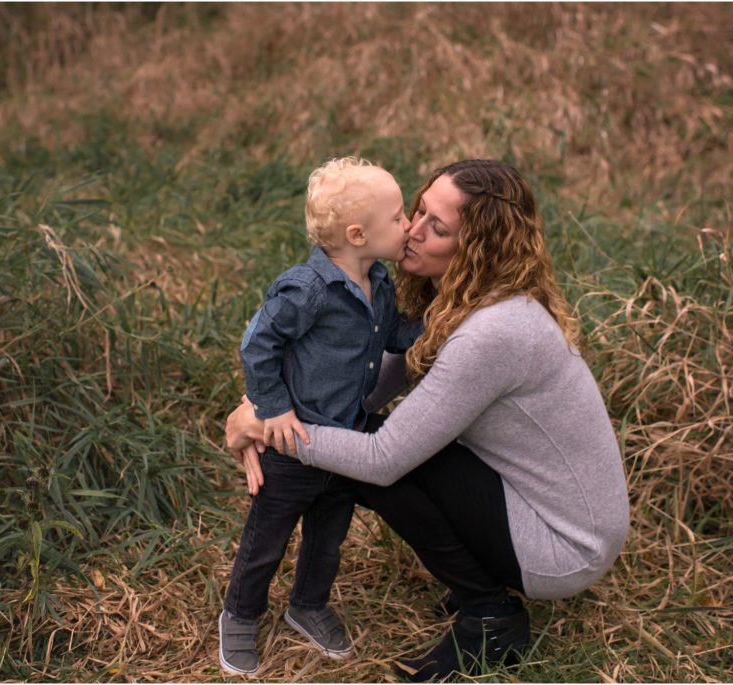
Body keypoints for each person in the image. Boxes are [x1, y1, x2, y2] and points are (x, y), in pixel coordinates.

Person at [226, 159, 630, 681]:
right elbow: (374, 384)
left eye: (436, 228)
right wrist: (266, 403)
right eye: (417, 211)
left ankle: (489, 613)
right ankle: (478, 587)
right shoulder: (465, 301)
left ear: (477, 249)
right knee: (371, 436)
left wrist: (274, 432)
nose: (412, 231)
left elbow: (381, 457)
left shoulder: (493, 332)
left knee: (377, 456)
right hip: (530, 500)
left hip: (563, 545)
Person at [219, 157, 422, 676]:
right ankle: (240, 613)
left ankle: (307, 604)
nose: (408, 225)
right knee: (267, 538)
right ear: (358, 234)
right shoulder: (306, 288)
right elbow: (258, 343)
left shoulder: (379, 280)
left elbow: (391, 336)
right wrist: (273, 407)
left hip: (346, 441)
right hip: (293, 441)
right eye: (398, 217)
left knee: (327, 539)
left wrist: (435, 330)